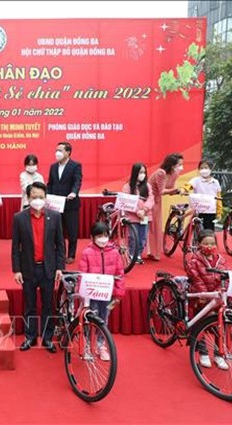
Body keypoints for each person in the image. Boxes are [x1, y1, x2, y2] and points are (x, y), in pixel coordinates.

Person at [11, 182, 65, 353]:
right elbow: (15, 247)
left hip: (48, 269)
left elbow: (60, 245)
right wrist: (17, 270)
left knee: (48, 305)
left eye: (41, 197)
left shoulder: (55, 217)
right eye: (34, 197)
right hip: (28, 269)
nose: (38, 200)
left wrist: (59, 267)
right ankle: (30, 336)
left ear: (46, 197)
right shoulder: (19, 218)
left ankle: (47, 338)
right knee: (30, 305)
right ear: (28, 198)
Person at [78, 222, 126, 361]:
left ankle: (101, 345)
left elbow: (119, 274)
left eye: (105, 235)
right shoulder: (87, 252)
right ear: (92, 237)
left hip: (107, 295)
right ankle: (86, 345)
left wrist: (118, 294)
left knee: (103, 320)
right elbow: (82, 274)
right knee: (89, 319)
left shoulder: (115, 253)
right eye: (99, 236)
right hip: (91, 294)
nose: (103, 239)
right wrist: (83, 294)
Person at [185, 230, 229, 370]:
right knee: (201, 325)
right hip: (201, 298)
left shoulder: (221, 260)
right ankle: (203, 353)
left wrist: (220, 291)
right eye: (206, 243)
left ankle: (218, 354)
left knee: (219, 327)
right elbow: (196, 280)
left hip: (217, 298)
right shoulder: (193, 261)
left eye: (212, 243)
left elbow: (225, 277)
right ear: (199, 245)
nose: (209, 246)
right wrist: (205, 294)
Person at [47, 142, 82, 264]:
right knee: (58, 231)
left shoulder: (75, 165)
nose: (57, 153)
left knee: (72, 231)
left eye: (60, 150)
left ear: (68, 152)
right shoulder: (53, 166)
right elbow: (50, 184)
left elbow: (77, 181)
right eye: (56, 150)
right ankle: (61, 254)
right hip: (56, 204)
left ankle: (71, 255)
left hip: (70, 203)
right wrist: (47, 196)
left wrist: (73, 192)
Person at [147, 153, 184, 261]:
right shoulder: (161, 173)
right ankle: (149, 251)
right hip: (149, 199)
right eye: (179, 165)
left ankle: (154, 252)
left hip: (158, 200)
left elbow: (170, 190)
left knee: (157, 226)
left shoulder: (175, 174)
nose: (181, 167)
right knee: (152, 226)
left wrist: (178, 191)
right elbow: (162, 191)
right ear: (172, 165)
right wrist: (176, 190)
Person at [122, 163, 154, 264]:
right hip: (132, 217)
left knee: (143, 237)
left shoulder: (147, 186)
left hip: (145, 216)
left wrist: (144, 210)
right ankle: (132, 254)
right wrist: (137, 211)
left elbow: (151, 199)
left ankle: (139, 253)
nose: (142, 174)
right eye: (140, 172)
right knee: (132, 237)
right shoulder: (127, 187)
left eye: (144, 172)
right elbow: (126, 201)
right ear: (135, 173)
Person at [187, 159, 222, 231]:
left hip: (211, 211)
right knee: (197, 229)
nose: (204, 170)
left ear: (211, 169)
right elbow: (188, 185)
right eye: (201, 168)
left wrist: (219, 212)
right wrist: (184, 189)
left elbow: (218, 198)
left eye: (206, 168)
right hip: (198, 211)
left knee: (209, 230)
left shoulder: (215, 182)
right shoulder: (196, 180)